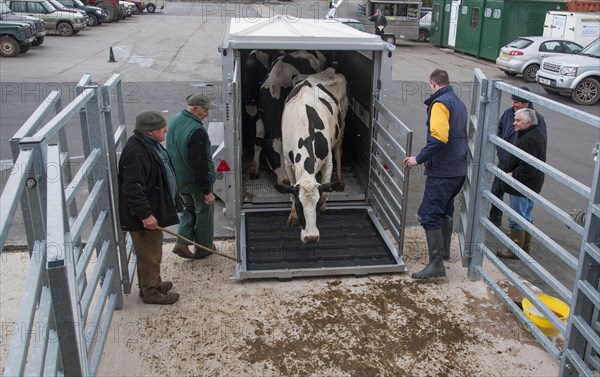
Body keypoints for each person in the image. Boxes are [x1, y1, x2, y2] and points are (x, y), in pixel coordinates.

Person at [403, 69, 468, 279]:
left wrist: (418, 159)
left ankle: (436, 263)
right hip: (459, 169)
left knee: (428, 214)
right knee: (444, 210)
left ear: (433, 84)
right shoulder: (458, 102)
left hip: (443, 171)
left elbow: (439, 138)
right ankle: (445, 252)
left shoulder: (440, 104)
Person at [118, 111, 180, 305]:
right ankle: (151, 292)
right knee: (150, 255)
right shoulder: (136, 153)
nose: (166, 130)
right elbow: (132, 188)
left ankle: (153, 284)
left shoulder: (148, 145)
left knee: (151, 252)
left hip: (152, 210)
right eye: (162, 128)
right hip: (144, 216)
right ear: (150, 131)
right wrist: (146, 215)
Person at [166, 93, 218, 259]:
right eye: (204, 110)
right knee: (205, 212)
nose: (207, 114)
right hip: (195, 182)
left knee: (189, 209)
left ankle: (181, 242)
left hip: (179, 179)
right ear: (195, 108)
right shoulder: (197, 131)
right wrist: (207, 191)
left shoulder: (175, 120)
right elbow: (199, 165)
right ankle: (204, 248)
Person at [488, 89, 547, 227]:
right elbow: (500, 130)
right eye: (513, 101)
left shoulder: (536, 120)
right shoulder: (509, 113)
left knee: (519, 209)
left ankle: (520, 240)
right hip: (505, 162)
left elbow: (537, 146)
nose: (513, 104)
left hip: (520, 170)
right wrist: (502, 151)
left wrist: (516, 172)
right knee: (496, 191)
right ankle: (495, 217)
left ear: (525, 103)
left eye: (516, 102)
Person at [497, 108, 547, 259]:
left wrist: (513, 174)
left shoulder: (528, 139)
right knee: (526, 214)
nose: (514, 123)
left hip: (522, 185)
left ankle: (515, 249)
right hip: (533, 184)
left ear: (528, 122)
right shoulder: (536, 134)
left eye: (518, 121)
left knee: (516, 217)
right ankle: (525, 246)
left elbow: (528, 166)